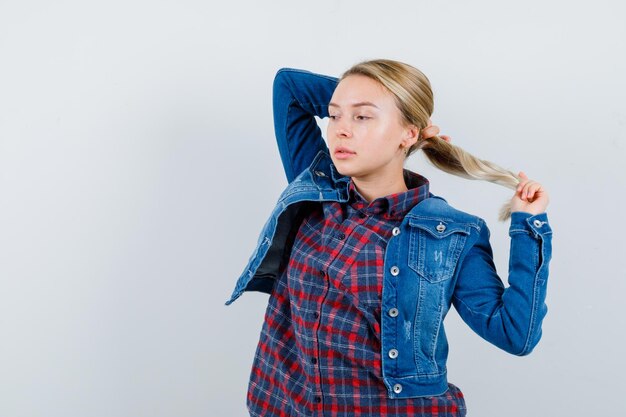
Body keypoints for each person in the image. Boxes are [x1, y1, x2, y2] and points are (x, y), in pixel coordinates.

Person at [226, 59, 552, 417]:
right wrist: (375, 104)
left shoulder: (452, 234)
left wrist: (528, 226)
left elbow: (515, 334)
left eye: (362, 117)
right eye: (334, 116)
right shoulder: (316, 188)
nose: (340, 131)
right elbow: (289, 86)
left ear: (409, 134)